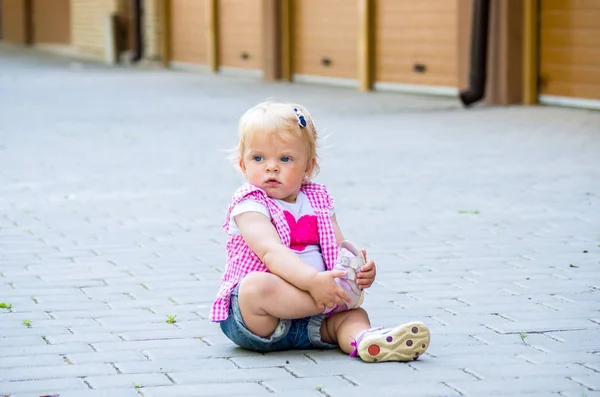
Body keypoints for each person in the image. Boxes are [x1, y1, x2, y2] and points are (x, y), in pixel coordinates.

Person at [209, 101, 430, 362]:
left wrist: (357, 270)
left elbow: (338, 247)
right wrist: (317, 286)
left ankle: (365, 341)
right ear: (243, 165)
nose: (271, 167)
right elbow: (271, 251)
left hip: (315, 323)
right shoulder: (249, 203)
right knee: (255, 286)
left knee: (353, 316)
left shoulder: (318, 199)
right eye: (258, 158)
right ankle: (337, 300)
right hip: (262, 322)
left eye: (285, 159)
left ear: (308, 167)